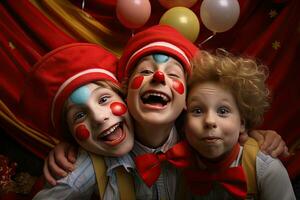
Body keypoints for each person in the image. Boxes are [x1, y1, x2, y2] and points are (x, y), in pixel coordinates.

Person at [43, 25, 289, 199]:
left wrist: (257, 136)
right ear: (126, 93)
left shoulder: (200, 136)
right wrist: (67, 143)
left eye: (172, 74)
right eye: (146, 72)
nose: (158, 76)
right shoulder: (92, 162)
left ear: (186, 101)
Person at [19, 43, 135, 199]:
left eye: (104, 99)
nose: (99, 117)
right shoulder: (78, 177)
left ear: (124, 97)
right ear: (72, 136)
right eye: (79, 115)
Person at [183, 50, 295, 199]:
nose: (210, 121)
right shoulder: (174, 166)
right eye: (197, 110)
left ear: (242, 123)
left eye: (223, 111)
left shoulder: (266, 170)